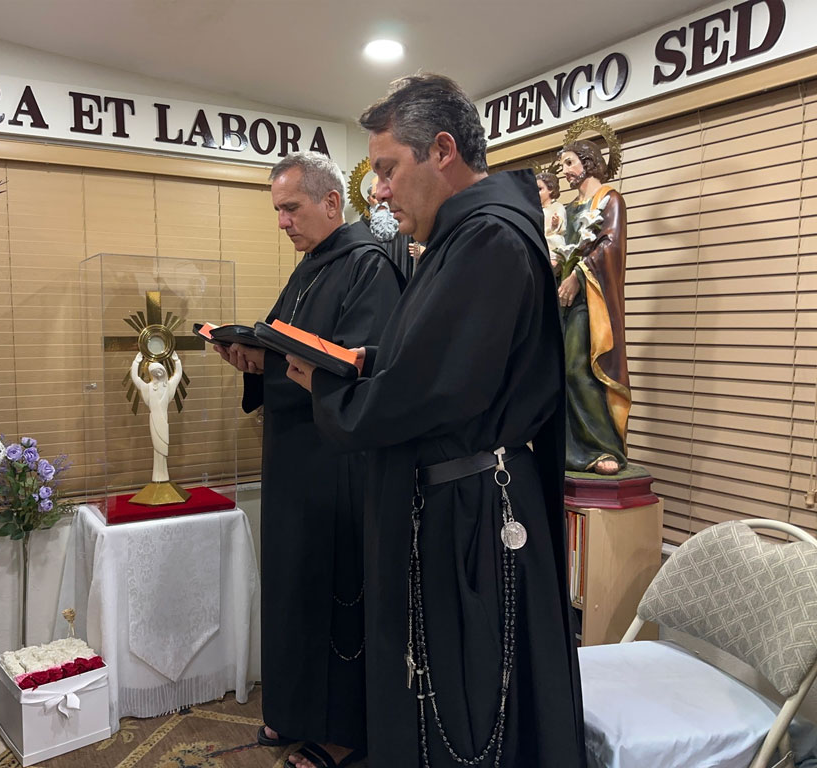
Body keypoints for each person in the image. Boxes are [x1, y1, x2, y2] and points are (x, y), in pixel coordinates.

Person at [284, 74, 586, 768]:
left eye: (388, 168)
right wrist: (370, 361)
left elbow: (431, 392)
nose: (379, 190)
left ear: (442, 150)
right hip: (459, 507)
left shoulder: (487, 240)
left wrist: (332, 390)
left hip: (473, 521)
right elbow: (440, 363)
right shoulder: (464, 238)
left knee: (465, 711)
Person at [215, 151, 403, 768]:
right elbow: (281, 346)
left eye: (290, 208)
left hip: (338, 461)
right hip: (294, 457)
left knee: (336, 588)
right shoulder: (311, 266)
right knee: (294, 585)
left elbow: (360, 365)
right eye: (277, 211)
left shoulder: (368, 265)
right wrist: (248, 356)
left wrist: (276, 363)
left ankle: (346, 731)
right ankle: (295, 711)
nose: (282, 223)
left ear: (330, 202)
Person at [556, 140, 630, 475]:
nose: (564, 171)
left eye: (569, 163)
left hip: (592, 298)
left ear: (588, 162)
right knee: (561, 372)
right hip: (564, 299)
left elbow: (610, 245)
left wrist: (578, 274)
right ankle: (571, 448)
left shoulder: (610, 200)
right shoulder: (570, 208)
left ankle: (602, 448)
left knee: (579, 369)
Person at [131, 352, 183, 483]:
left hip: (163, 421)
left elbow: (178, 374)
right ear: (151, 373)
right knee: (157, 447)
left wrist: (175, 359)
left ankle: (164, 475)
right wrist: (137, 362)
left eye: (160, 370)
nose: (158, 373)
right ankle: (158, 475)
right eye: (155, 372)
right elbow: (136, 378)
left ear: (164, 371)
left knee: (163, 447)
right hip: (154, 420)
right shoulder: (148, 388)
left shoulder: (169, 386)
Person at [536, 170, 566, 278]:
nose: (536, 193)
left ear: (551, 189)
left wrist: (556, 222)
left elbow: (561, 223)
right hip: (542, 240)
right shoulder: (537, 211)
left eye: (540, 189)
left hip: (552, 239)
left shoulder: (557, 206)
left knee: (556, 240)